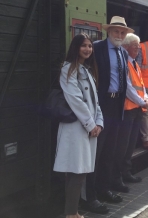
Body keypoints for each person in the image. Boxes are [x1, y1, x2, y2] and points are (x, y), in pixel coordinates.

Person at [81, 16, 134, 214]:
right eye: (116, 32)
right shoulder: (96, 48)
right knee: (95, 152)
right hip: (100, 105)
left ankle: (104, 189)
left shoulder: (122, 52)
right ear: (108, 32)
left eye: (122, 33)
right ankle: (90, 197)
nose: (119, 35)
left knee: (110, 152)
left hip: (116, 105)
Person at [53, 33, 103, 218]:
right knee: (76, 172)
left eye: (90, 46)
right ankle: (71, 214)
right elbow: (75, 100)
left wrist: (99, 122)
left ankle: (72, 212)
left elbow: (95, 102)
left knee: (79, 171)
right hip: (75, 129)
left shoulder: (86, 70)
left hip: (87, 128)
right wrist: (91, 125)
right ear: (76, 47)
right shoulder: (68, 70)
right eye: (84, 45)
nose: (88, 49)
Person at [113, 33, 148, 185]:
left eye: (139, 46)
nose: (138, 49)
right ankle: (117, 177)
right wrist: (142, 101)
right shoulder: (124, 64)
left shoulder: (135, 64)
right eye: (136, 46)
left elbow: (141, 85)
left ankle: (126, 172)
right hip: (128, 110)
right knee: (123, 145)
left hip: (137, 110)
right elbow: (127, 88)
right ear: (126, 47)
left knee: (131, 144)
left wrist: (145, 98)